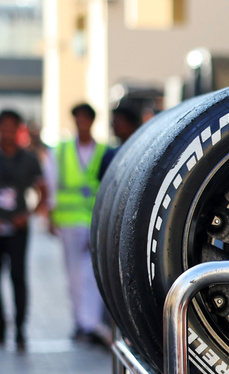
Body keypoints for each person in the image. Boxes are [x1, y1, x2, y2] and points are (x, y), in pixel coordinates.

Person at [46, 102, 109, 345]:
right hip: (70, 222)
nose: (81, 124)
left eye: (85, 119)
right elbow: (52, 184)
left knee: (91, 273)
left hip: (94, 221)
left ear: (92, 121)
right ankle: (82, 322)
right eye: (78, 119)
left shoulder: (104, 150)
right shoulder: (61, 151)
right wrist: (51, 217)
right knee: (74, 274)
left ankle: (89, 322)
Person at [0, 110, 47, 351]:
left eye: (11, 128)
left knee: (18, 277)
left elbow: (43, 191)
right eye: (3, 128)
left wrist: (28, 214)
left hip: (18, 228)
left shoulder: (29, 159)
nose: (6, 133)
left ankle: (20, 328)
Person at [98, 104, 142, 179]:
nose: (113, 126)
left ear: (131, 124)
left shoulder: (143, 154)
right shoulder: (110, 156)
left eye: (117, 122)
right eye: (113, 122)